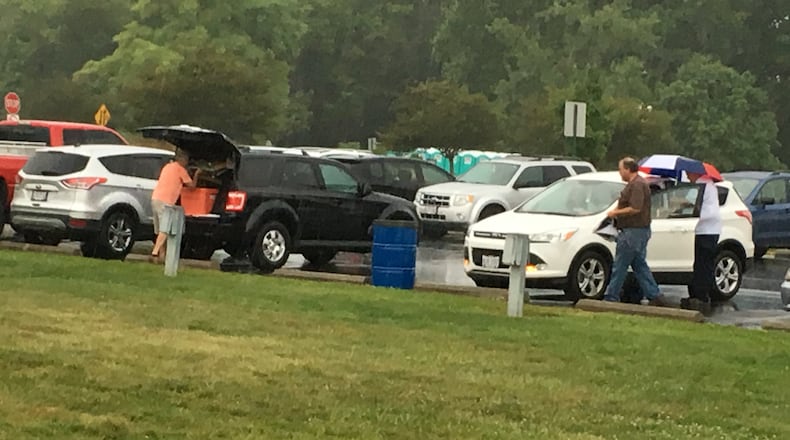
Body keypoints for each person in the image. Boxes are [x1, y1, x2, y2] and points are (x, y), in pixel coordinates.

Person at [603, 157, 668, 306]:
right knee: (639, 265)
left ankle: (611, 296)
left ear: (628, 169)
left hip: (633, 232)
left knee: (620, 265)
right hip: (637, 231)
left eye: (621, 169)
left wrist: (615, 213)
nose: (620, 173)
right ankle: (654, 295)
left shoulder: (637, 185)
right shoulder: (635, 184)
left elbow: (635, 208)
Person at [681, 172, 721, 315]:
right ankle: (700, 295)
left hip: (706, 229)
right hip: (711, 229)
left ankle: (701, 297)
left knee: (702, 264)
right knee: (704, 263)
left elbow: (689, 202)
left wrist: (677, 201)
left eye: (688, 174)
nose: (687, 177)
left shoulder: (701, 184)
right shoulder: (709, 184)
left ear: (695, 173)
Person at [150, 149, 200, 261]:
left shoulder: (167, 166)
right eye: (187, 160)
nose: (187, 162)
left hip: (155, 198)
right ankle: (155, 251)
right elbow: (192, 187)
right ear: (182, 159)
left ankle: (162, 255)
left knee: (159, 229)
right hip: (166, 201)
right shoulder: (180, 170)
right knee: (165, 228)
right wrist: (197, 174)